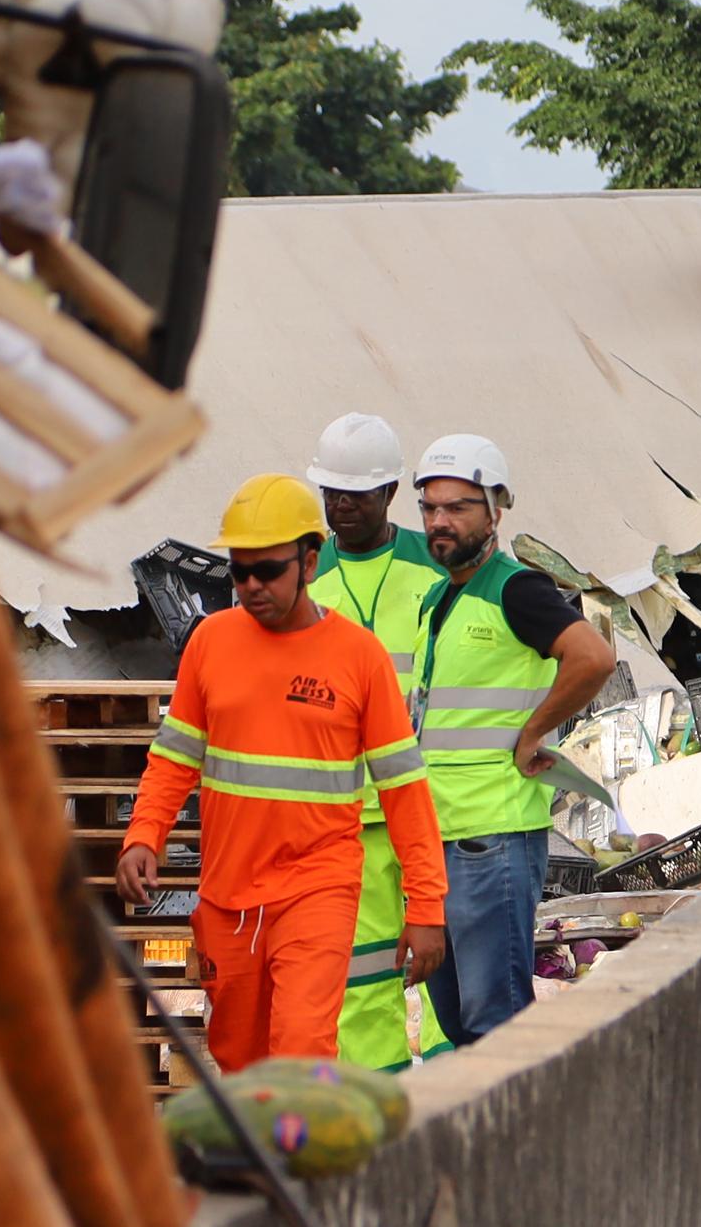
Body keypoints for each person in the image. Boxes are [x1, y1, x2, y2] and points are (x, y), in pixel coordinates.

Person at [121, 474, 445, 1073]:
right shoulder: (210, 643)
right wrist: (145, 836)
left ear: (310, 561)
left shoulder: (358, 657)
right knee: (240, 1059)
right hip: (228, 898)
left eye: (267, 570)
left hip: (317, 887)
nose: (250, 586)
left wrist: (426, 906)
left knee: (301, 1050)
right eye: (239, 571)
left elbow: (404, 791)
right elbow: (173, 757)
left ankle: (303, 1163)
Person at [407, 433, 616, 1044]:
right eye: (430, 508)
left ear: (496, 511)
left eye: (459, 507)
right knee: (454, 1019)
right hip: (438, 837)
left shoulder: (515, 589)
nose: (440, 522)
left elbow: (593, 657)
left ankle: (514, 1138)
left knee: (493, 1021)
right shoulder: (440, 597)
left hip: (490, 839)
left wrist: (534, 731)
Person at [305, 411, 453, 1071]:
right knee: (362, 984)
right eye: (330, 493)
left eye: (355, 494)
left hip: (434, 807)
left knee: (450, 978)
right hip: (347, 815)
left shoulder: (439, 565)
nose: (339, 507)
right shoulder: (303, 573)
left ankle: (462, 1109)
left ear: (390, 492)